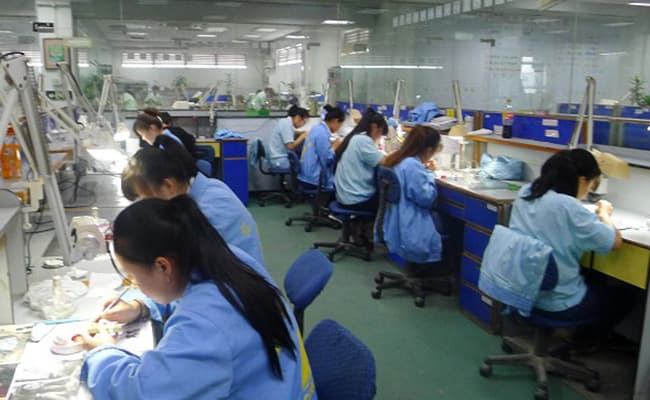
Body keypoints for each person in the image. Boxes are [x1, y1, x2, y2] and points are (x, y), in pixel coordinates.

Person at [80, 196, 316, 400]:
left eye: (134, 279)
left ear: (163, 266)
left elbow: (144, 393)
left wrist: (103, 352)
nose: (136, 287)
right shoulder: (228, 258)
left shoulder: (204, 326)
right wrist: (141, 306)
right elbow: (185, 294)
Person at [508, 149, 628, 333]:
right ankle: (583, 341)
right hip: (557, 304)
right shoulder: (569, 207)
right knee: (624, 296)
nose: (589, 190)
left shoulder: (527, 192)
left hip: (521, 292)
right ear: (582, 180)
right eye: (592, 184)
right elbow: (614, 242)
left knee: (592, 277)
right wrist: (604, 213)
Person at [121, 137, 265, 266]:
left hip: (242, 282)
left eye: (144, 200)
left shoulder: (210, 209)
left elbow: (179, 264)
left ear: (167, 186)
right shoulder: (204, 187)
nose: (144, 207)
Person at [380, 125, 444, 263]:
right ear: (429, 150)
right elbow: (426, 198)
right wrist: (430, 174)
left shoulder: (397, 158)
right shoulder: (412, 166)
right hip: (411, 225)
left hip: (396, 222)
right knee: (451, 224)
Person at [334, 108, 387, 213]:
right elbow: (384, 162)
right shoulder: (363, 140)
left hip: (345, 196)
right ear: (375, 127)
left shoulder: (355, 137)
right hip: (355, 199)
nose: (379, 138)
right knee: (388, 201)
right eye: (381, 133)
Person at [298, 105, 344, 191]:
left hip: (305, 175)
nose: (339, 128)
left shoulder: (316, 128)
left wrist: (330, 145)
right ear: (336, 121)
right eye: (340, 125)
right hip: (313, 180)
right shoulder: (323, 133)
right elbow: (326, 159)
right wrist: (334, 147)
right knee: (342, 183)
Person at [267, 105, 309, 170]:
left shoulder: (285, 122)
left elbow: (290, 132)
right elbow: (290, 146)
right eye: (304, 122)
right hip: (279, 160)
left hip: (277, 158)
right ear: (298, 118)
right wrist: (302, 136)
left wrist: (301, 132)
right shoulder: (286, 124)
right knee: (303, 166)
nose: (303, 124)